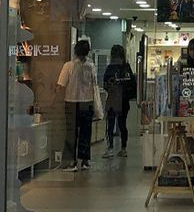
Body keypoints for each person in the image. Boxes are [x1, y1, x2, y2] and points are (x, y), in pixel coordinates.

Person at [56, 39, 97, 171]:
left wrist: (54, 99)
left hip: (71, 102)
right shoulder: (91, 66)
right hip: (88, 102)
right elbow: (94, 85)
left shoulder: (68, 66)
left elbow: (61, 85)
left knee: (71, 132)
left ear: (75, 51)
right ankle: (85, 161)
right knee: (86, 132)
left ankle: (71, 162)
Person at [102, 44, 135, 158]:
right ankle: (123, 148)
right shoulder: (127, 68)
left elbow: (105, 84)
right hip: (123, 100)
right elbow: (132, 84)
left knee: (110, 125)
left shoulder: (110, 68)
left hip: (112, 99)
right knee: (122, 124)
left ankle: (110, 148)